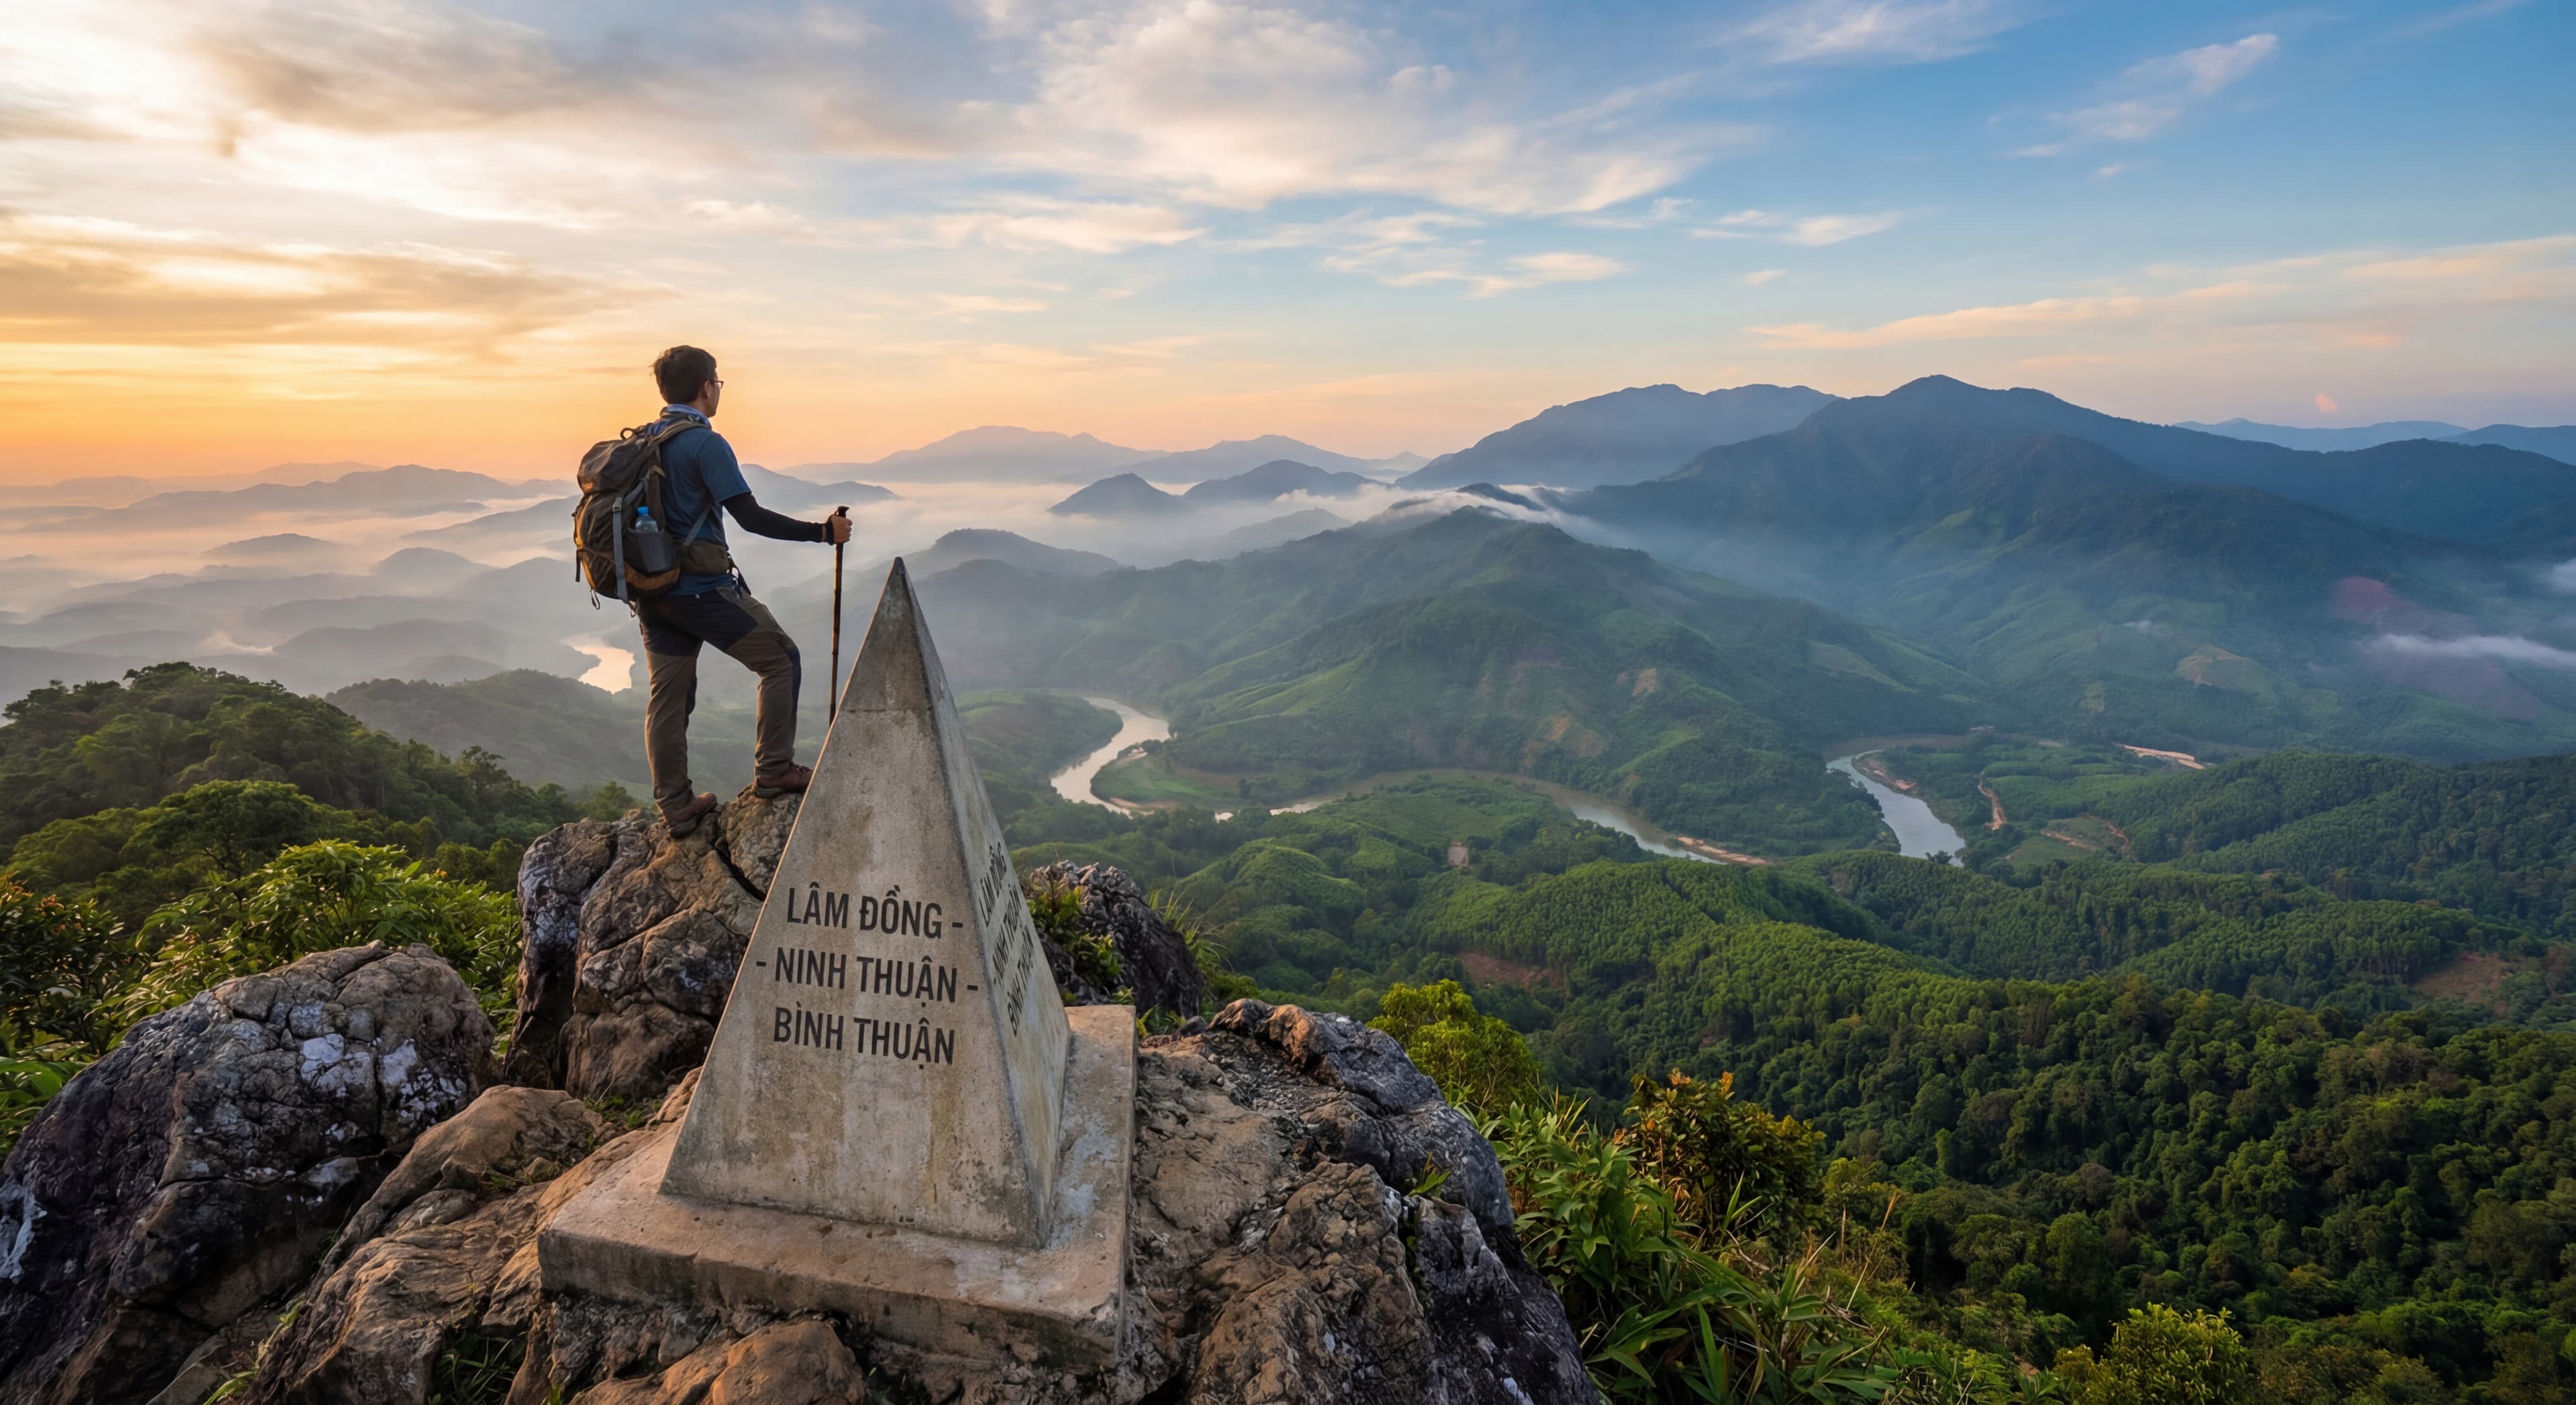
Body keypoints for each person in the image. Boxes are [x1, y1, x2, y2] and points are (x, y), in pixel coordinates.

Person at [636, 345, 852, 835]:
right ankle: (774, 768)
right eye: (718, 381)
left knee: (668, 697)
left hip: (651, 592)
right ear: (705, 387)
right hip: (701, 590)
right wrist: (823, 532)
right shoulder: (704, 444)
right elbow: (750, 517)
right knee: (781, 659)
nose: (718, 389)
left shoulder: (646, 440)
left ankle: (675, 804)